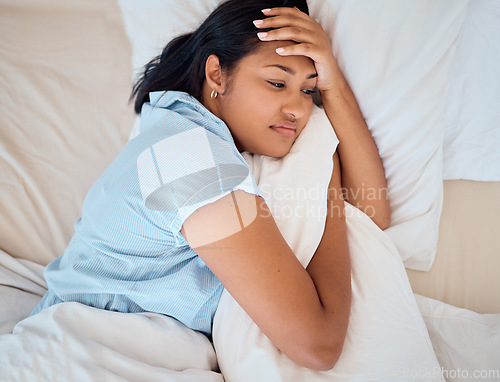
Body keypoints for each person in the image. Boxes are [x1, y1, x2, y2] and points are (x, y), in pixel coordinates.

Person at [31, 0, 390, 371]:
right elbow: (318, 345)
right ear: (216, 74)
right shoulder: (194, 160)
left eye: (307, 91)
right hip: (78, 355)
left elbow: (371, 217)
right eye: (277, 82)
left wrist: (333, 86)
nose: (299, 110)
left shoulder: (180, 130)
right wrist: (328, 181)